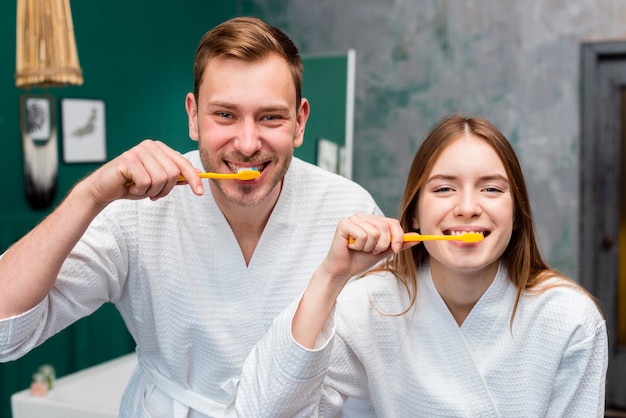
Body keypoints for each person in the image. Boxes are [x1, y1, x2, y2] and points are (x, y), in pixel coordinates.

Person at [0, 16, 382, 417]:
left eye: (270, 117)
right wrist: (90, 195)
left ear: (300, 122)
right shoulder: (133, 212)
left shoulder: (347, 207)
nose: (248, 143)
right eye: (225, 115)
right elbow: (5, 334)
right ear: (193, 116)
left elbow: (384, 351)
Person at [236, 114, 609, 417]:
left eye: (491, 189)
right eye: (444, 188)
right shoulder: (370, 306)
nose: (467, 207)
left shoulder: (569, 319)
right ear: (413, 214)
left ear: (516, 216)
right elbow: (266, 411)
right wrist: (331, 276)